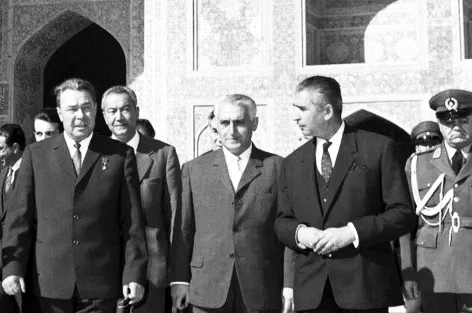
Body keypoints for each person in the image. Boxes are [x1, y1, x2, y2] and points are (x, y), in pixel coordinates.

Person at [2, 77, 147, 313]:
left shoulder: (120, 155)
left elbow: (132, 222)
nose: (80, 116)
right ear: (60, 113)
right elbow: (19, 218)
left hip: (100, 284)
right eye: (72, 109)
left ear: (96, 109)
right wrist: (12, 268)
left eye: (86, 107)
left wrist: (134, 273)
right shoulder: (36, 155)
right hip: (49, 283)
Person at [276, 75, 414, 313]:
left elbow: (402, 214)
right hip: (313, 293)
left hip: (365, 288)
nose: (295, 116)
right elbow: (282, 221)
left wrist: (351, 233)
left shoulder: (378, 149)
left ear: (327, 111)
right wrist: (301, 234)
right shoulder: (292, 162)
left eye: (302, 109)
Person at [171, 93, 293, 313]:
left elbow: (287, 230)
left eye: (239, 122)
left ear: (254, 123)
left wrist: (289, 285)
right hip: (207, 287)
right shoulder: (194, 169)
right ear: (216, 125)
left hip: (262, 287)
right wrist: (180, 280)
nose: (232, 130)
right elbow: (183, 229)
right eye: (225, 123)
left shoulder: (277, 167)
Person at [102, 85, 180, 313]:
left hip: (152, 272)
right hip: (105, 270)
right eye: (112, 111)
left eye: (125, 109)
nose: (119, 117)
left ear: (136, 111)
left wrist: (178, 275)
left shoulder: (163, 154)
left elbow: (174, 217)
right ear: (104, 115)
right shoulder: (95, 155)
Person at [400, 89, 472, 313]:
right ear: (439, 124)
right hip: (433, 271)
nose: (456, 128)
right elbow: (405, 224)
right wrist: (408, 271)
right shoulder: (417, 165)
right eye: (449, 122)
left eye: (463, 121)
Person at [0, 123, 38, 313]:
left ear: (16, 147)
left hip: (25, 265)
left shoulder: (33, 173)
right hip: (1, 262)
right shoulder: (4, 174)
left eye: (0, 148)